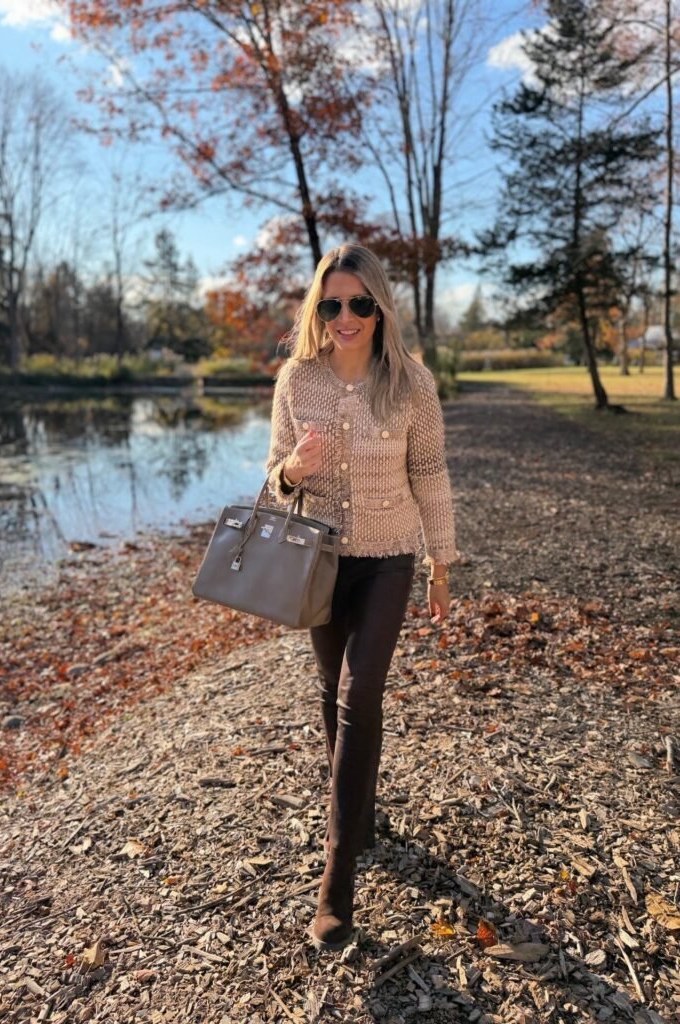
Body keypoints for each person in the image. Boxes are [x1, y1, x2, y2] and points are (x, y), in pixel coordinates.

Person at [265, 243, 458, 952]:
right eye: (332, 303)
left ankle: (336, 882)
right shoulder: (297, 379)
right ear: (318, 307)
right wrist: (292, 468)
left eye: (360, 304)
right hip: (318, 559)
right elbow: (273, 483)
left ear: (380, 309)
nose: (345, 317)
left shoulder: (410, 384)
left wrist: (442, 563)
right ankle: (361, 814)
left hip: (388, 559)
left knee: (358, 694)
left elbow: (431, 475)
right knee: (329, 688)